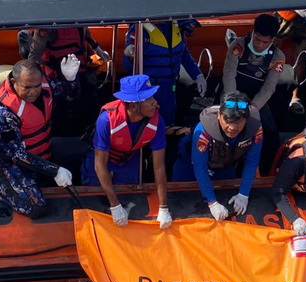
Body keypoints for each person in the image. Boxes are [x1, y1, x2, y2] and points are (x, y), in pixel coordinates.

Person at [0, 57, 80, 218]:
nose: (33, 92)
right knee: (35, 208)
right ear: (14, 82)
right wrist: (55, 170)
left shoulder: (43, 85)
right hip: (10, 162)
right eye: (27, 87)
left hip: (41, 153)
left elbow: (69, 94)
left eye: (37, 86)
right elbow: (16, 154)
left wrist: (71, 79)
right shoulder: (2, 112)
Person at [81, 75, 172, 229]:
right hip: (102, 161)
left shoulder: (158, 122)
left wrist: (163, 207)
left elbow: (159, 167)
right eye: (148, 99)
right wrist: (115, 206)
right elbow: (99, 164)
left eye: (153, 97)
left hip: (128, 160)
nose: (155, 103)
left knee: (129, 199)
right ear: (133, 105)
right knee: (96, 201)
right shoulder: (106, 120)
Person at [172, 92, 263, 221]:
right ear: (219, 115)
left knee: (229, 199)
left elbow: (252, 162)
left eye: (238, 122)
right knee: (180, 200)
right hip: (190, 164)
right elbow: (199, 168)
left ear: (246, 119)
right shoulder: (203, 130)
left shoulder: (256, 129)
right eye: (228, 121)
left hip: (225, 164)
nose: (232, 127)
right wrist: (212, 202)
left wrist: (244, 194)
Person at [222, 13, 285, 174]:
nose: (259, 45)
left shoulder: (278, 57)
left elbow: (269, 87)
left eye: (265, 42)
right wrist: (233, 102)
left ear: (272, 40)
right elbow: (229, 75)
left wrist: (254, 107)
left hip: (256, 99)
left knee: (270, 131)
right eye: (257, 39)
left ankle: (266, 171)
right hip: (232, 93)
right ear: (253, 32)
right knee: (223, 123)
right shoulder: (238, 46)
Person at [122, 19, 207, 126]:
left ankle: (169, 133)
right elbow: (128, 66)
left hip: (170, 85)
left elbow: (184, 54)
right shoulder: (139, 29)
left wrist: (198, 75)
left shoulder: (177, 27)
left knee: (168, 118)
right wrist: (128, 56)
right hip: (149, 88)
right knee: (147, 122)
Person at [29, 26, 109, 136]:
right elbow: (36, 52)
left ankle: (86, 133)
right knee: (60, 112)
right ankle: (60, 137)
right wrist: (31, 74)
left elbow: (87, 36)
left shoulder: (81, 22)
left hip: (81, 70)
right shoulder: (48, 27)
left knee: (88, 105)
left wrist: (98, 50)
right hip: (58, 76)